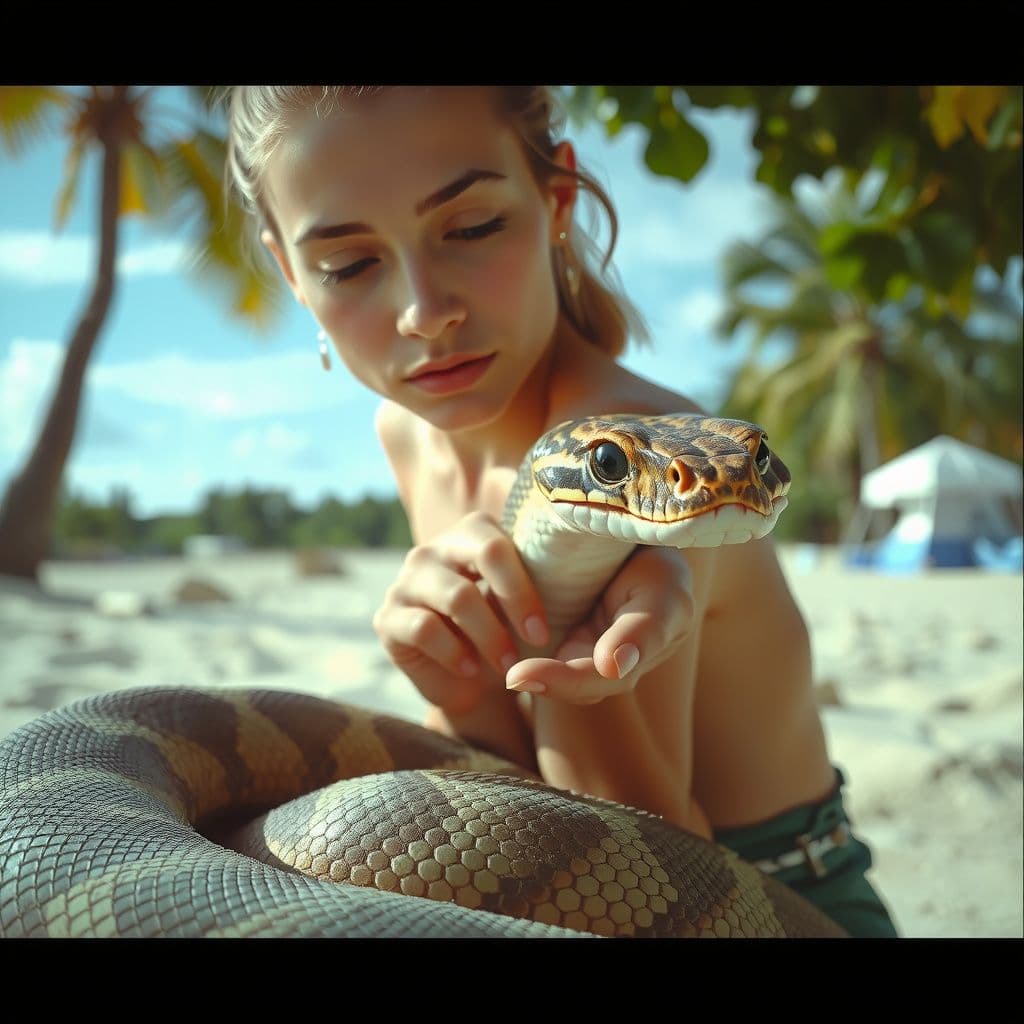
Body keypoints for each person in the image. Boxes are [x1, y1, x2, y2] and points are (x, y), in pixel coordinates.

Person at [224, 85, 898, 937]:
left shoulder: (652, 471)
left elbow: (632, 864)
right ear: (291, 271)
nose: (425, 314)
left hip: (771, 900)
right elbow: (512, 775)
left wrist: (586, 686)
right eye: (348, 265)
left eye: (471, 228)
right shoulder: (406, 430)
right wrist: (462, 689)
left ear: (556, 200)